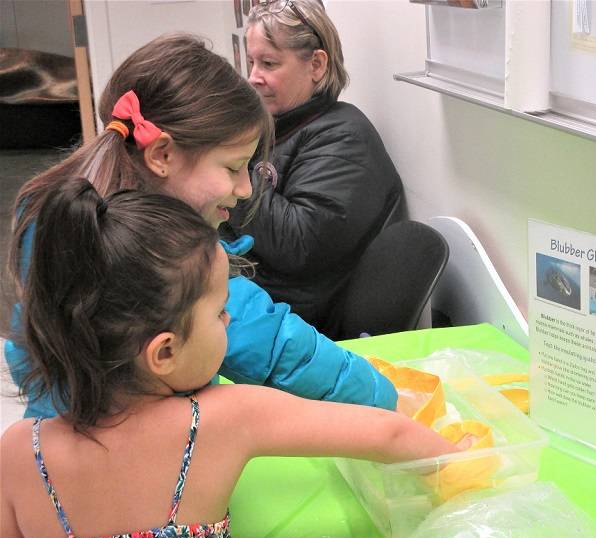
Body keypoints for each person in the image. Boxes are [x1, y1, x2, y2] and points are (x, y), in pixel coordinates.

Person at [0, 181, 461, 538]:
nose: (228, 320)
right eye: (220, 311)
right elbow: (389, 433)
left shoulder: (19, 452)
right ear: (164, 352)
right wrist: (461, 463)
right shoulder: (225, 419)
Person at [4, 33, 398, 419]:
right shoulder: (153, 249)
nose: (246, 189)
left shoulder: (60, 208)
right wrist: (382, 395)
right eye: (233, 167)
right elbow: (273, 345)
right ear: (162, 155)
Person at [223, 0, 405, 339]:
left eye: (268, 63)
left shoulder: (345, 136)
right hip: (261, 300)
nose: (253, 77)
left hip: (302, 324)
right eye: (251, 62)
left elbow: (297, 245)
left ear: (317, 65)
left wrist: (229, 167)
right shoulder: (276, 126)